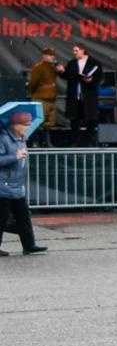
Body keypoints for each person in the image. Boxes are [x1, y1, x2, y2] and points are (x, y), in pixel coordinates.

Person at [0, 109, 47, 255]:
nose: (28, 127)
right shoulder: (3, 138)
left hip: (17, 187)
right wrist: (15, 156)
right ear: (16, 125)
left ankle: (29, 245)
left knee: (24, 217)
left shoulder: (21, 139)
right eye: (25, 125)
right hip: (3, 187)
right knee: (1, 219)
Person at [62, 44, 102, 147]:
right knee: (75, 120)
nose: (74, 52)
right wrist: (62, 72)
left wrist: (91, 80)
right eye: (73, 51)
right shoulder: (71, 63)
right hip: (75, 97)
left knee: (90, 120)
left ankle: (91, 142)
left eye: (76, 50)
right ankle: (74, 142)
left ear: (83, 50)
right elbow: (67, 76)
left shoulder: (94, 63)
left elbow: (99, 78)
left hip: (88, 96)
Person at [27, 45, 62, 145]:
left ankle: (47, 141)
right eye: (50, 55)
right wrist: (36, 94)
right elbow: (32, 83)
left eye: (53, 55)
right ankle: (35, 141)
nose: (53, 57)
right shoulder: (38, 67)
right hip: (41, 97)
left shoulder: (53, 67)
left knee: (50, 121)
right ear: (44, 56)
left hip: (51, 97)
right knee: (38, 121)